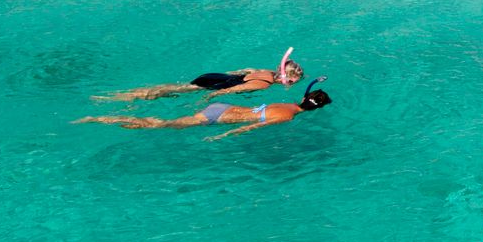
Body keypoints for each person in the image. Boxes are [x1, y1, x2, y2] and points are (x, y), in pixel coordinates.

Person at [80, 80, 332, 138]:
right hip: (217, 118)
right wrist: (222, 135)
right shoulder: (287, 117)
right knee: (162, 124)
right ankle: (102, 119)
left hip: (223, 106)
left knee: (166, 123)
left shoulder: (287, 104)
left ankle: (109, 118)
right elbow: (253, 126)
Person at [94, 48, 304, 103]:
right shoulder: (264, 85)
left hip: (215, 75)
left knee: (174, 87)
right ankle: (128, 97)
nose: (293, 85)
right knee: (171, 93)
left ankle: (129, 93)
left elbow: (242, 71)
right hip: (216, 83)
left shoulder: (265, 71)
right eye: (294, 82)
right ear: (287, 78)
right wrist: (209, 97)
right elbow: (232, 90)